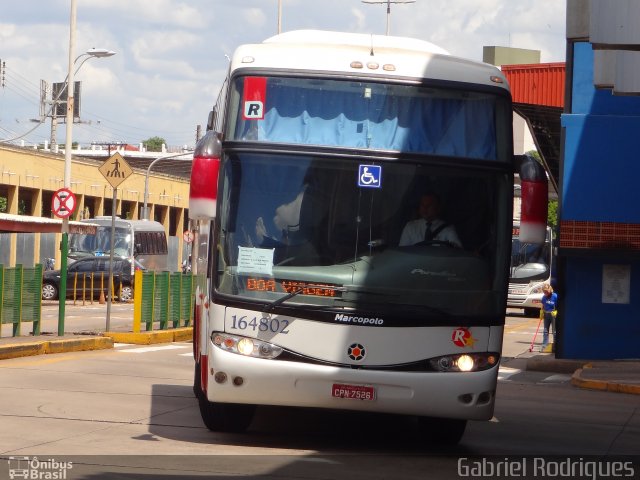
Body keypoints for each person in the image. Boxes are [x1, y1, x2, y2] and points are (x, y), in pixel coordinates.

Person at [540, 283, 558, 350]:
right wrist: (541, 311)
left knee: (554, 331)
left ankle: (555, 345)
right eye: (544, 291)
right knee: (545, 330)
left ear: (549, 289)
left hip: (553, 314)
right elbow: (543, 304)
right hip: (546, 314)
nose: (545, 293)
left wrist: (557, 311)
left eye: (546, 291)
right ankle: (545, 345)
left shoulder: (555, 296)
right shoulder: (544, 297)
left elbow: (559, 305)